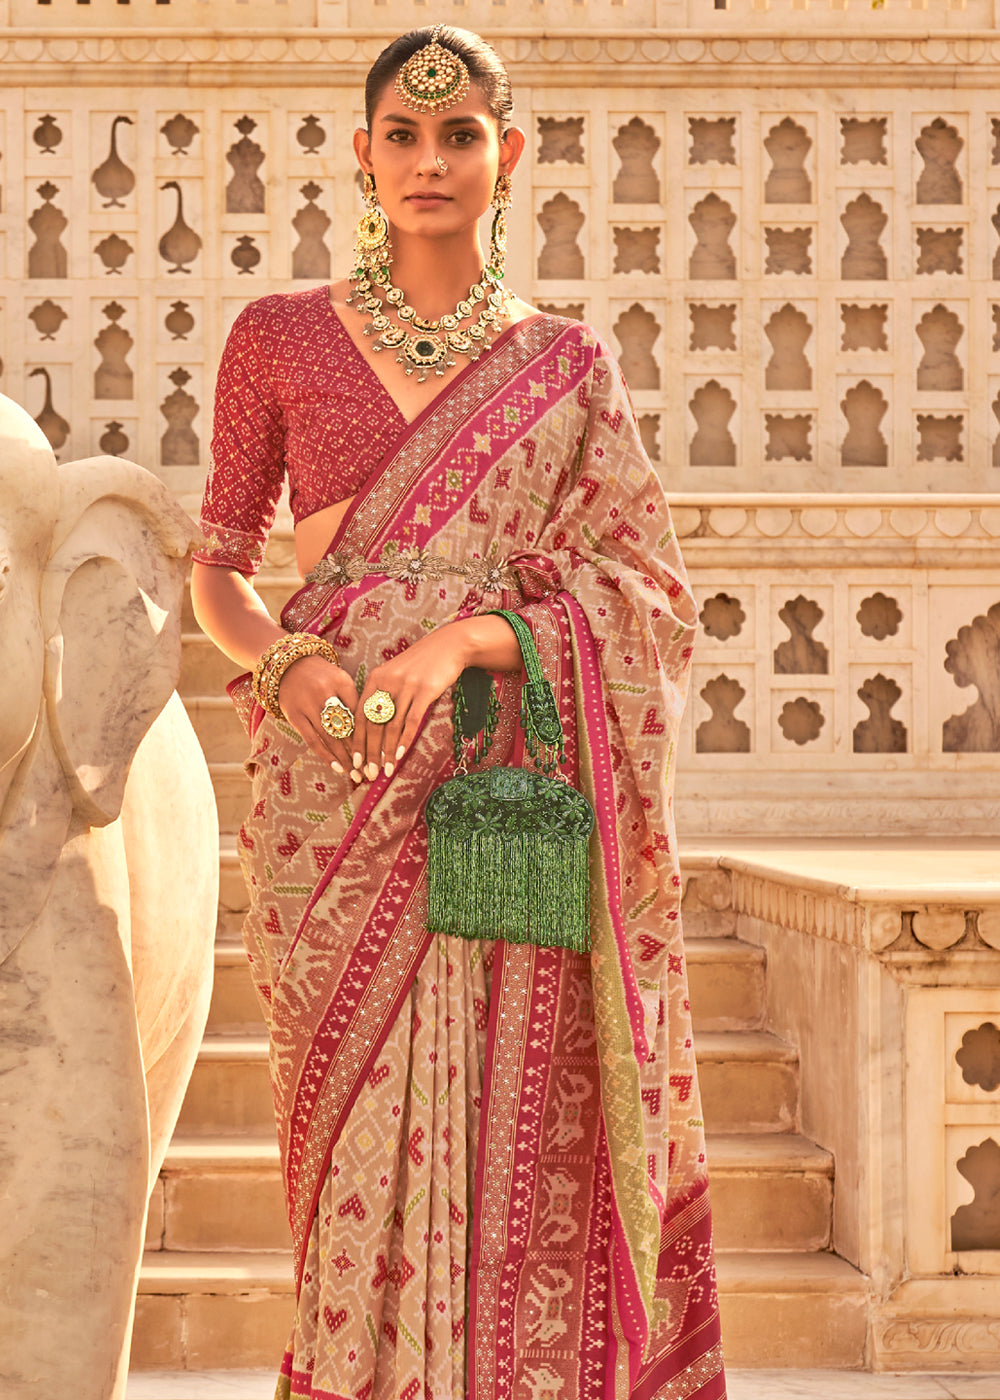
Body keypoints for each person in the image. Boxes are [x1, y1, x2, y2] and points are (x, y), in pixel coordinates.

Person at [191, 24, 726, 1400]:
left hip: (508, 794)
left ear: (510, 154)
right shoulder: (281, 337)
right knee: (343, 1140)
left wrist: (475, 640)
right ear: (363, 155)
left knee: (518, 1128)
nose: (431, 161)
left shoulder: (567, 363)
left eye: (462, 134)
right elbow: (215, 567)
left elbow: (648, 593)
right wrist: (288, 672)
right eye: (405, 137)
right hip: (331, 798)